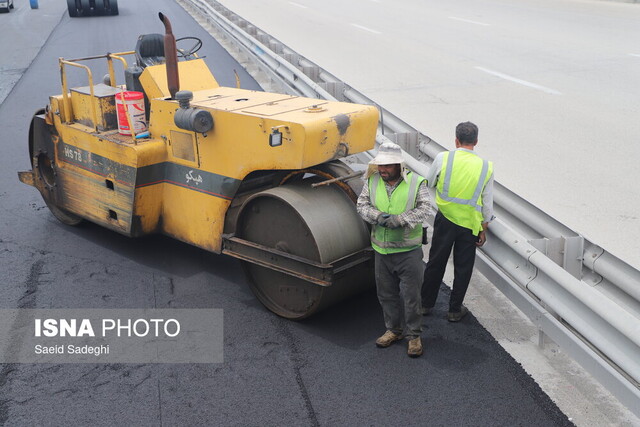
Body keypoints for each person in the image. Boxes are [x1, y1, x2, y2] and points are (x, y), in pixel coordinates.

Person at [357, 142, 431, 357]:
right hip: (382, 251)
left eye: (388, 166)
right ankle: (393, 330)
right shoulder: (371, 181)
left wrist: (401, 219)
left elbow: (425, 208)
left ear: (399, 166)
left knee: (411, 296)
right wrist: (377, 216)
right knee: (386, 295)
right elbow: (361, 205)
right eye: (380, 165)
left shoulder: (416, 183)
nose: (383, 170)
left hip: (408, 252)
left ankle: (414, 336)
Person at [421, 121, 495, 322]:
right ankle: (454, 310)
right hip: (469, 224)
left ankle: (426, 305)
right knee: (463, 267)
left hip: (445, 219)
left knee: (436, 262)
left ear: (456, 140)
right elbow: (487, 203)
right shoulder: (486, 166)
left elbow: (430, 181)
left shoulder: (444, 158)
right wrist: (483, 227)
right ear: (476, 141)